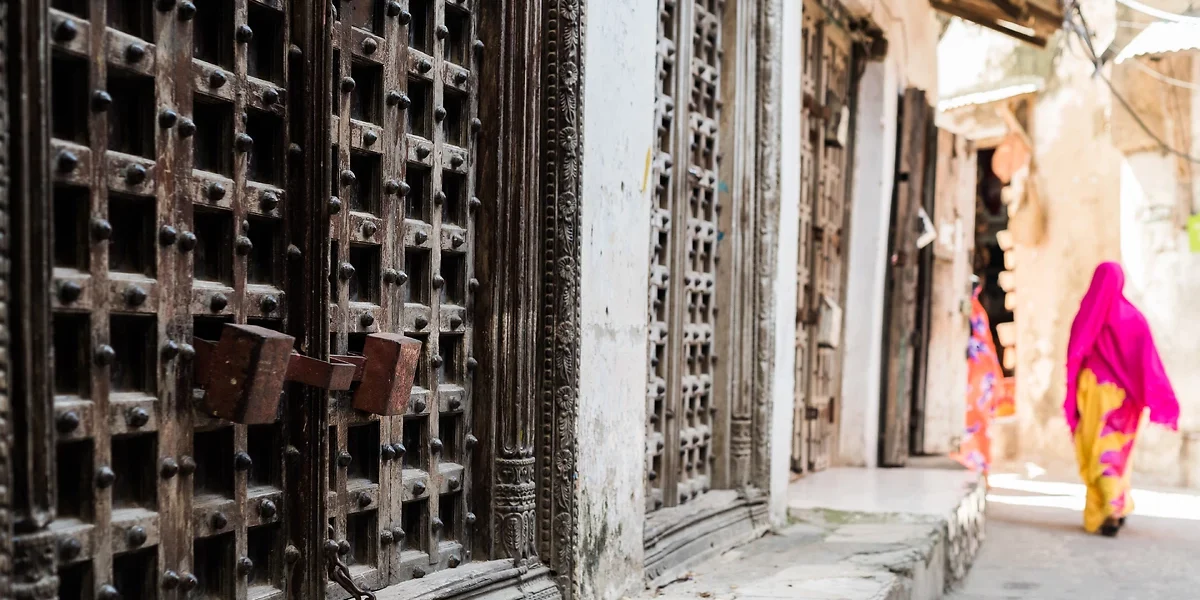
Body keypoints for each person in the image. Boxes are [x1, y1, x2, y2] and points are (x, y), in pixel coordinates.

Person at [1065, 262, 1179, 537]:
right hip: (1125, 402)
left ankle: (1109, 509)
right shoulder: (1133, 318)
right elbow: (1148, 362)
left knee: (1097, 449)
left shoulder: (1088, 314)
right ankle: (1116, 504)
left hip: (1095, 392)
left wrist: (1072, 395)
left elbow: (1075, 355)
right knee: (1117, 454)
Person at [952, 281, 1012, 475]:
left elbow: (979, 346)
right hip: (981, 376)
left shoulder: (971, 310)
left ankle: (976, 469)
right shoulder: (976, 310)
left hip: (976, 377)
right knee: (978, 426)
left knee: (974, 424)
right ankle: (979, 470)